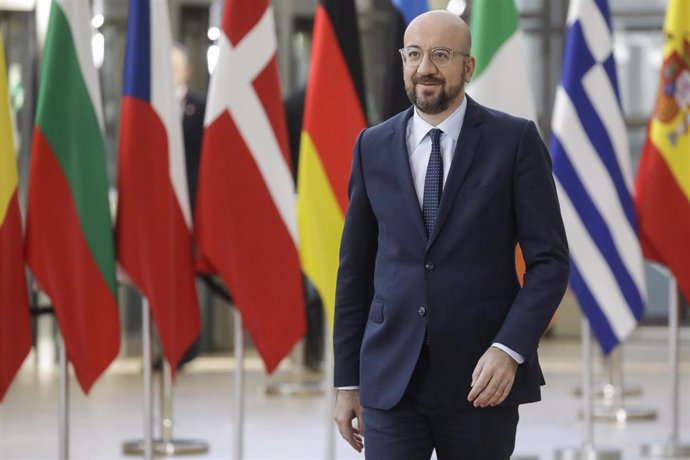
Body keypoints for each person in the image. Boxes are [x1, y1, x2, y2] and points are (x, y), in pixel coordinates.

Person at [333, 10, 569, 460]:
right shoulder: (371, 146)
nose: (425, 68)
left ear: (468, 66)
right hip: (391, 381)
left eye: (441, 55)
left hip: (482, 381)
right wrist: (347, 381)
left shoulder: (514, 142)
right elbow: (354, 271)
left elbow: (550, 263)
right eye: (414, 54)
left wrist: (510, 348)